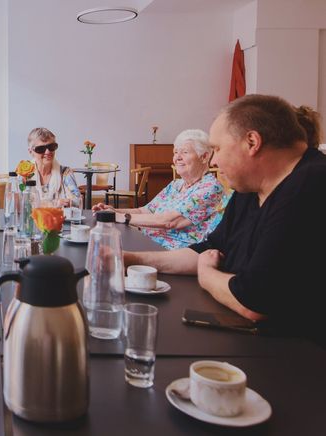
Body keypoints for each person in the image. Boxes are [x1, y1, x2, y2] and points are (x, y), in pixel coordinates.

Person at [125, 94, 326, 346]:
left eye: (218, 149)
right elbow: (207, 249)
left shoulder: (311, 185)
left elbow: (254, 301)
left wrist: (207, 274)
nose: (215, 160)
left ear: (252, 142)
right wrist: (130, 260)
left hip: (301, 359)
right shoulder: (250, 189)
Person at [92, 129, 226, 249]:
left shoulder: (210, 187)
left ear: (204, 157)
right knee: (96, 241)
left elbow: (170, 221)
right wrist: (112, 211)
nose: (177, 157)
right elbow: (144, 210)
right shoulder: (175, 185)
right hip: (147, 240)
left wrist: (121, 217)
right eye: (175, 152)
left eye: (184, 152)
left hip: (170, 251)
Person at [26, 127, 81, 205]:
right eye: (41, 148)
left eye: (51, 147)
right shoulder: (24, 174)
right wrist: (53, 204)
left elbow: (78, 201)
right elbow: (18, 204)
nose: (48, 152)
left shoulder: (65, 173)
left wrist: (69, 203)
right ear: (31, 152)